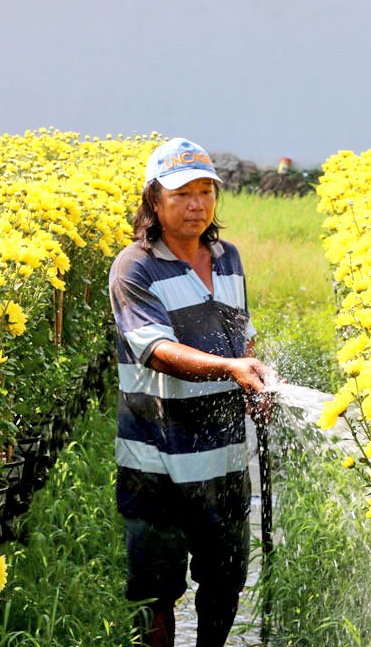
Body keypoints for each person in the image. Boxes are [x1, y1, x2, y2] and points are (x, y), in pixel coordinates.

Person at [108, 137, 274, 647]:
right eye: (181, 194)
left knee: (224, 583)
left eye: (206, 192)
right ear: (154, 201)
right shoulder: (135, 267)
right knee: (155, 592)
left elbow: (240, 337)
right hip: (157, 462)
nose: (196, 204)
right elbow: (156, 350)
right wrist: (232, 368)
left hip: (224, 460)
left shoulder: (228, 259)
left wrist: (258, 379)